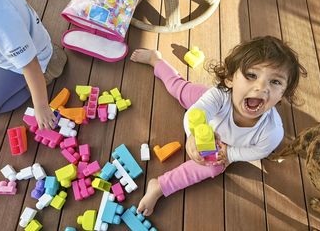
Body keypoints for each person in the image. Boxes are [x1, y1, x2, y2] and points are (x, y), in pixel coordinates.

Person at [130, 36, 307, 216]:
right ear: (230, 79)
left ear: (282, 96)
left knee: (212, 167)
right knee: (178, 88)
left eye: (275, 82)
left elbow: (259, 152)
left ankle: (160, 186)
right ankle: (156, 60)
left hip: (224, 146)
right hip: (207, 110)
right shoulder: (218, 95)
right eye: (252, 75)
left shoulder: (272, 132)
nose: (261, 87)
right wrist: (193, 135)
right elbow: (194, 114)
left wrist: (230, 155)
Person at [0, 0, 67, 130]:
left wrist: (41, 107)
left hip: (34, 58)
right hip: (4, 47)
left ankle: (49, 69)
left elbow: (29, 62)